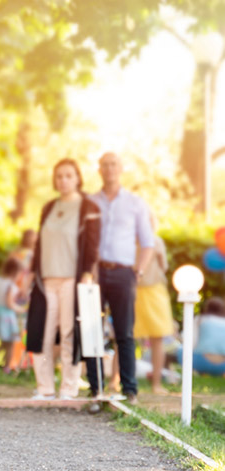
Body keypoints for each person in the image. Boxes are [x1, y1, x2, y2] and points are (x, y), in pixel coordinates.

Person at [26, 158, 101, 400]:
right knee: (42, 334)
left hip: (73, 279)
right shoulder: (48, 207)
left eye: (69, 175)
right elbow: (39, 245)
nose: (64, 180)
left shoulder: (88, 207)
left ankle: (68, 387)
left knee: (70, 333)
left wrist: (87, 275)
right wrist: (30, 273)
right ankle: (45, 387)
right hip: (45, 281)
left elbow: (92, 245)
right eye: (59, 176)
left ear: (78, 178)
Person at [86, 153, 155, 404]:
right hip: (94, 273)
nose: (109, 169)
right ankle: (95, 389)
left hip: (124, 273)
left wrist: (138, 271)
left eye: (114, 164)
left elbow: (148, 243)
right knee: (92, 330)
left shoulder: (136, 203)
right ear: (99, 169)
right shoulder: (90, 201)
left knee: (124, 331)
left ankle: (129, 389)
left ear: (121, 169)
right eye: (104, 164)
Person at [133, 217, 174, 394]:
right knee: (151, 338)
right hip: (143, 292)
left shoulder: (130, 242)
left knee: (126, 338)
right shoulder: (156, 241)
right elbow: (163, 266)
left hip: (146, 292)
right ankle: (156, 384)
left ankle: (115, 381)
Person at [0, 257, 26, 372]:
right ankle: (6, 367)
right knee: (10, 344)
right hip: (6, 317)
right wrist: (21, 309)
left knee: (3, 344)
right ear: (15, 272)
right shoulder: (10, 285)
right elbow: (10, 304)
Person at [177, 297, 225, 376]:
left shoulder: (200, 319)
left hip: (200, 362)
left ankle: (198, 371)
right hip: (222, 366)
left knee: (180, 350)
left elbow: (189, 342)